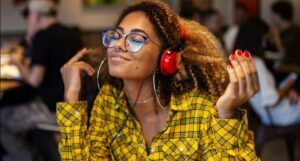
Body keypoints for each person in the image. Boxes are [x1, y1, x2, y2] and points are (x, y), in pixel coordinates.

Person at [57, 0, 260, 160]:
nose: (117, 45)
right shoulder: (109, 101)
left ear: (168, 57)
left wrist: (227, 113)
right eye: (116, 35)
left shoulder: (199, 108)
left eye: (136, 39)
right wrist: (71, 98)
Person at [5, 0, 82, 161]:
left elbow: (34, 80)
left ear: (37, 15)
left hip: (51, 109)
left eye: (29, 15)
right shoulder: (72, 34)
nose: (27, 19)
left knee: (2, 119)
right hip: (74, 106)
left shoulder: (43, 36)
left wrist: (17, 61)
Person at [234, 18, 300, 158]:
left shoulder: (241, 60)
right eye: (263, 39)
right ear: (255, 39)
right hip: (281, 114)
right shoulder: (256, 63)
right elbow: (272, 99)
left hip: (269, 114)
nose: (264, 44)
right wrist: (290, 83)